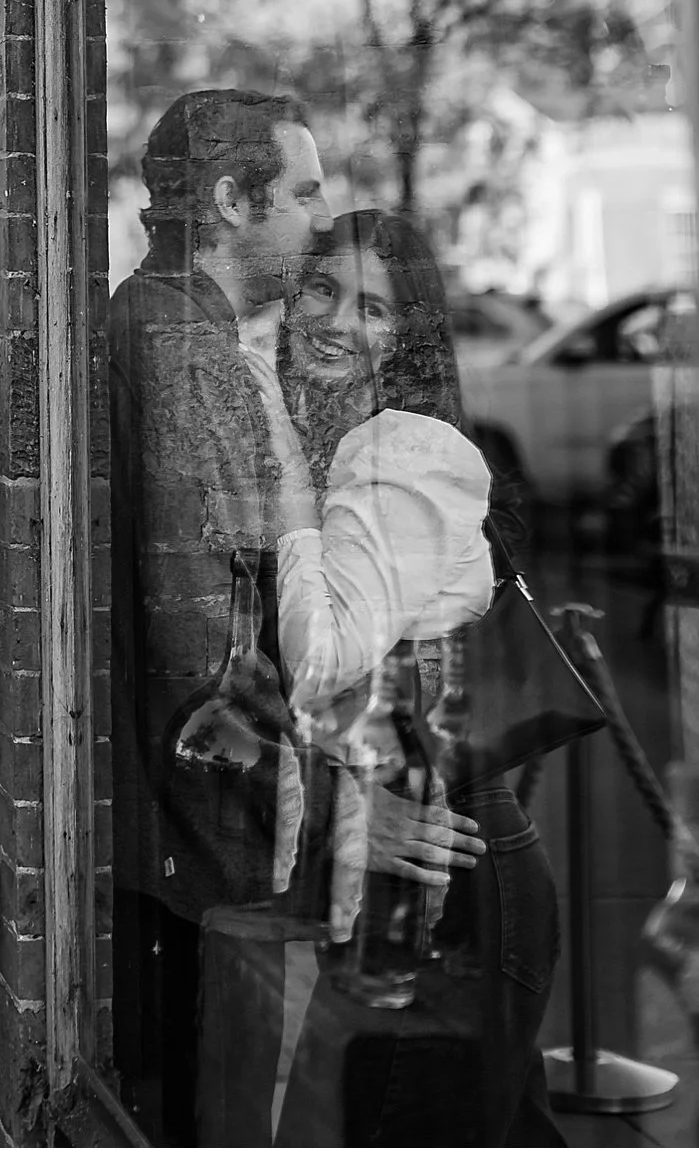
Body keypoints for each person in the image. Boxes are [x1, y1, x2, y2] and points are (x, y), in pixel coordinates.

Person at [264, 210, 561, 1147]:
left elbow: (323, 661)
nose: (338, 321)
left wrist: (284, 497)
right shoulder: (341, 436)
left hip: (449, 877)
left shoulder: (401, 451)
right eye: (322, 289)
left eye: (373, 308)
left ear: (408, 336)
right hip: (408, 867)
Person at [109, 87, 336, 1144]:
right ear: (231, 198)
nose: (317, 219)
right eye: (301, 191)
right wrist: (270, 801)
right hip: (198, 837)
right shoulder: (183, 346)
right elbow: (200, 622)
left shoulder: (156, 317)